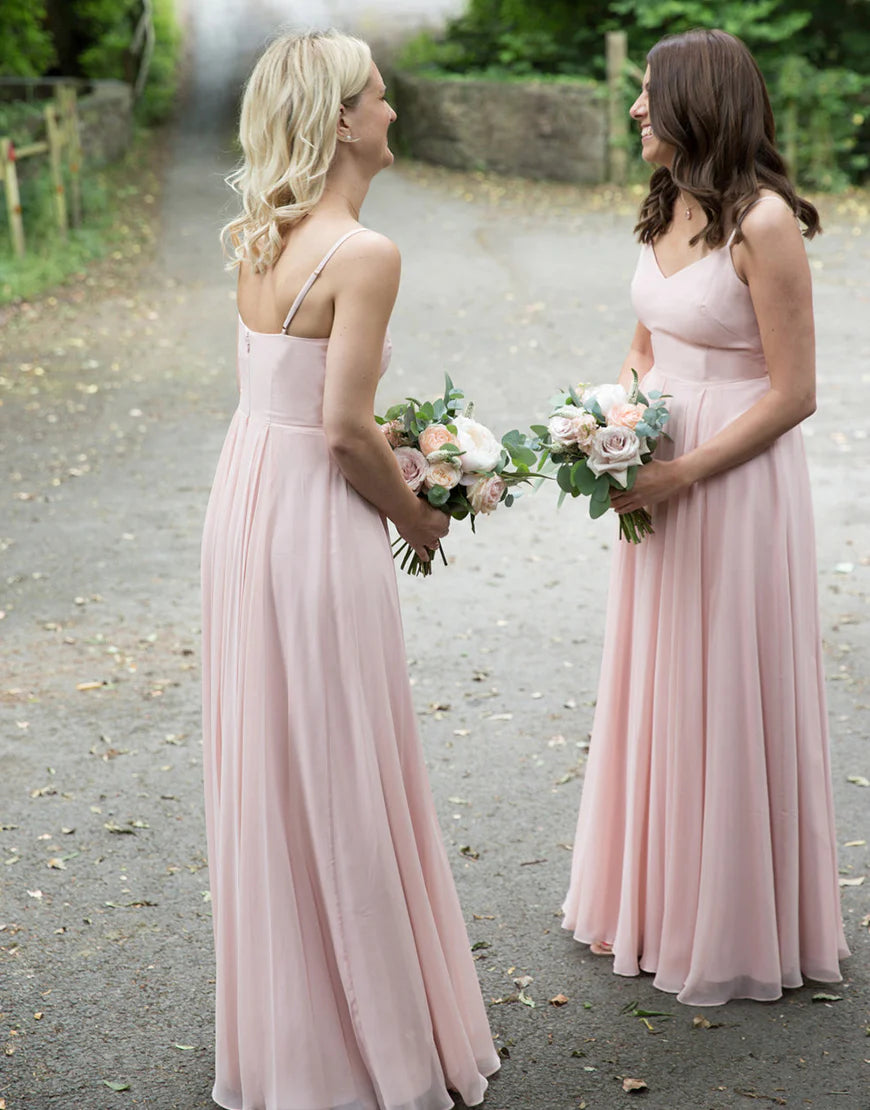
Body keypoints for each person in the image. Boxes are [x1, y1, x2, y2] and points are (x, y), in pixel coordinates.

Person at [201, 29, 499, 1109]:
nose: (393, 109)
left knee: (279, 760)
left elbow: (288, 405)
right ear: (338, 119)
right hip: (317, 516)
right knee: (341, 757)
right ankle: (363, 1041)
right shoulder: (365, 254)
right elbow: (342, 429)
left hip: (245, 504)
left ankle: (295, 1030)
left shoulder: (260, 233)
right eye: (378, 96)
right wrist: (419, 513)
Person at [562, 28, 849, 1006]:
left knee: (726, 677)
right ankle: (654, 896)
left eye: (649, 94)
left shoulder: (762, 223)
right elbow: (645, 344)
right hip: (656, 467)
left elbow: (796, 391)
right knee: (659, 671)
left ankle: (731, 916)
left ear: (695, 103)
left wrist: (683, 474)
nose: (637, 109)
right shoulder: (663, 204)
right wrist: (619, 424)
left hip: (734, 477)